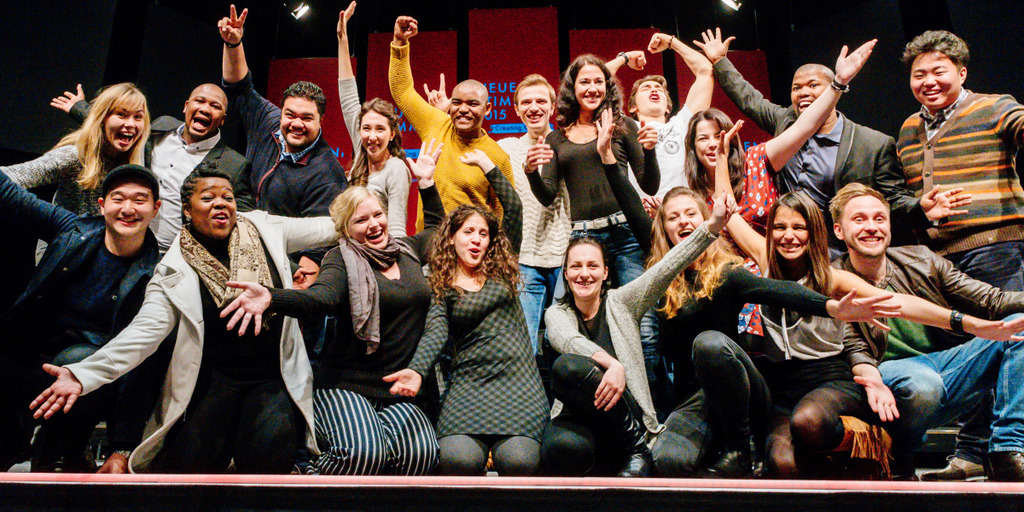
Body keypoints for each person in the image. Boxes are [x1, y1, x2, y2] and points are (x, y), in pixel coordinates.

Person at [30, 164, 339, 474]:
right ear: (188, 210)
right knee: (189, 470)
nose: (221, 203)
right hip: (216, 380)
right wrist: (83, 374)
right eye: (208, 197)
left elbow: (331, 227)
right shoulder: (171, 270)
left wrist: (369, 215)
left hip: (272, 378)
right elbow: (143, 333)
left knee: (267, 459)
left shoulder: (264, 228)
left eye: (227, 197)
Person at [219, 140, 444, 476]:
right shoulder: (342, 259)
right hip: (346, 385)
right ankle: (305, 476)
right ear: (346, 231)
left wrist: (426, 184)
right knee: (364, 455)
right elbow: (319, 299)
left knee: (420, 458)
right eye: (361, 221)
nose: (373, 225)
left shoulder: (407, 250)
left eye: (378, 215)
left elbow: (437, 230)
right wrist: (271, 297)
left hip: (398, 391)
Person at [694, 28, 958, 248]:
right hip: (791, 245)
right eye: (796, 88)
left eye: (813, 85)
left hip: (844, 250)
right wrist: (720, 61)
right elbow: (748, 98)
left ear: (835, 90)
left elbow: (893, 200)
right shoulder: (784, 122)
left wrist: (919, 208)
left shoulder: (873, 144)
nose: (803, 93)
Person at [831, 183, 1024, 482]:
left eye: (879, 219)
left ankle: (1006, 451)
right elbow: (853, 349)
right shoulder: (831, 277)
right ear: (839, 231)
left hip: (945, 366)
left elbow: (991, 300)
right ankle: (900, 453)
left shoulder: (921, 259)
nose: (872, 227)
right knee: (924, 383)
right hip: (879, 377)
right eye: (859, 220)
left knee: (1020, 328)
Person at [896, 31, 1024, 479]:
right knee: (973, 349)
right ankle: (971, 453)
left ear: (962, 72)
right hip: (941, 260)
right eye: (919, 74)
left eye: (938, 71)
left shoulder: (994, 107)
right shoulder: (910, 130)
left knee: (1012, 338)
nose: (928, 81)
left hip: (997, 247)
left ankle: (1009, 444)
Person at [541, 187, 732, 477]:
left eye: (593, 265)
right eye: (575, 266)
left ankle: (636, 448)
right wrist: (611, 364)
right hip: (579, 418)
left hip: (624, 415)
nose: (584, 273)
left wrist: (712, 227)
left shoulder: (622, 302)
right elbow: (567, 340)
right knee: (561, 441)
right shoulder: (557, 313)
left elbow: (667, 266)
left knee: (567, 366)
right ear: (565, 274)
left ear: (606, 272)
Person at [384, 149, 547, 476]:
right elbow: (435, 333)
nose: (476, 240)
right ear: (452, 237)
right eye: (468, 232)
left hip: (518, 384)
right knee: (458, 461)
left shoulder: (502, 269)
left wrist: (488, 167)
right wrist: (416, 370)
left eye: (483, 233)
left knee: (519, 461)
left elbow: (513, 209)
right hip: (468, 385)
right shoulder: (441, 285)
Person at [0, 164, 160, 473]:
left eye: (139, 200)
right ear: (102, 206)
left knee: (81, 358)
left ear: (155, 209)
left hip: (87, 379)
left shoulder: (157, 276)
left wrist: (121, 448)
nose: (128, 209)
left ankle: (63, 453)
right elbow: (10, 196)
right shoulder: (72, 229)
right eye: (118, 198)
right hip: (31, 357)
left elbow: (142, 364)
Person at [219, 5, 348, 288]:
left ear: (322, 120)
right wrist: (233, 43)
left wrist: (295, 291)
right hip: (235, 251)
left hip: (284, 272)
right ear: (281, 111)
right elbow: (239, 86)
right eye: (290, 115)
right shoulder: (268, 120)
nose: (296, 123)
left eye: (307, 118)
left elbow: (319, 243)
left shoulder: (328, 172)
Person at [53, 82, 254, 253]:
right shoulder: (161, 127)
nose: (205, 109)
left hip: (176, 258)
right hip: (128, 246)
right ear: (186, 106)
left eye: (215, 106)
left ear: (223, 119)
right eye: (199, 101)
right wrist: (78, 107)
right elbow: (123, 129)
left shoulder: (234, 164)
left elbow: (244, 222)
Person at [388, 15, 515, 229]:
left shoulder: (497, 157)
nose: (463, 109)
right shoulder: (435, 123)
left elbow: (504, 214)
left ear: (488, 109)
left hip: (471, 252)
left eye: (472, 104)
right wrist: (400, 43)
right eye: (457, 102)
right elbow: (402, 92)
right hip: (429, 247)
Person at [496, 74, 572, 354]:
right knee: (522, 344)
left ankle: (562, 400)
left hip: (566, 258)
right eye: (526, 102)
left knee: (563, 344)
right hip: (524, 258)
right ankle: (524, 399)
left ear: (553, 107)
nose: (534, 107)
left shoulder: (567, 144)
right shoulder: (506, 148)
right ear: (516, 109)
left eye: (541, 101)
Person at [4, 83, 149, 216]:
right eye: (121, 114)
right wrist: (45, 217)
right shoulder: (76, 156)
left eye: (138, 117)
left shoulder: (136, 159)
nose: (131, 124)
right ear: (102, 118)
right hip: (65, 242)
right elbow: (9, 176)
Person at [336, 2, 410, 238]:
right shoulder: (361, 154)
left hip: (377, 256)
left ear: (392, 134)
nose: (372, 136)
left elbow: (397, 229)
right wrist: (342, 40)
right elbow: (348, 95)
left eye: (380, 129)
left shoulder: (396, 168)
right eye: (366, 128)